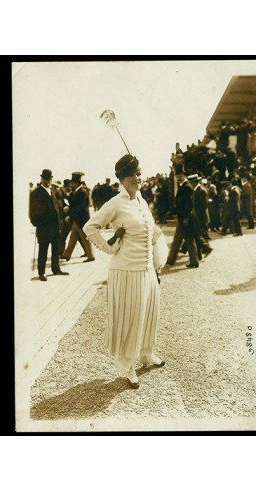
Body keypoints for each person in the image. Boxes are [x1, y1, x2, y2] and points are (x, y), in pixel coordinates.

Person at [83, 154, 167, 389]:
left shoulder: (141, 200)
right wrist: (109, 247)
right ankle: (127, 365)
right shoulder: (114, 203)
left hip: (147, 269)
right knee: (130, 319)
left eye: (139, 173)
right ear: (121, 178)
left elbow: (153, 231)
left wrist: (156, 262)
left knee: (150, 314)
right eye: (131, 174)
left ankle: (146, 353)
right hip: (126, 272)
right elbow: (90, 227)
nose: (136, 178)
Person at [29, 169, 69, 281]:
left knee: (56, 248)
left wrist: (60, 219)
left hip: (55, 227)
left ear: (51, 179)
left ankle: (56, 269)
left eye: (49, 179)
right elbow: (32, 211)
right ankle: (41, 273)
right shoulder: (36, 193)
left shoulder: (54, 191)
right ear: (41, 179)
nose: (47, 181)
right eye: (45, 179)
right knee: (43, 249)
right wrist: (37, 224)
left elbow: (58, 207)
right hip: (43, 227)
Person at [165, 172, 199, 268]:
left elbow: (189, 204)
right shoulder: (183, 186)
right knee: (189, 240)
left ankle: (170, 261)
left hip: (184, 219)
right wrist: (172, 212)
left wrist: (186, 218)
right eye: (177, 176)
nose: (178, 178)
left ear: (185, 176)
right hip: (184, 218)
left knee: (178, 240)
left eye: (180, 176)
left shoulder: (187, 187)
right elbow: (180, 203)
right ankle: (194, 262)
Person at [61, 172, 95, 262]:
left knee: (84, 238)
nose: (71, 184)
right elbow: (74, 204)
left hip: (82, 219)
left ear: (76, 183)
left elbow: (79, 208)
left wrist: (70, 216)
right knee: (73, 237)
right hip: (78, 219)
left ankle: (91, 256)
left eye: (72, 183)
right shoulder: (77, 192)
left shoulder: (82, 192)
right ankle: (66, 255)